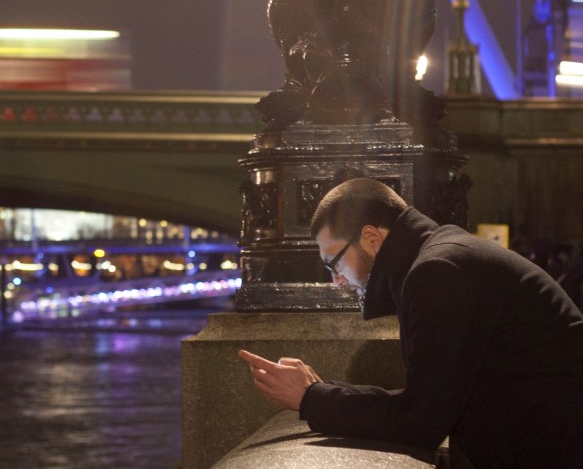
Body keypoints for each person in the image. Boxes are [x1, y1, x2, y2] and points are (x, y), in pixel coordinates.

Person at [238, 177, 583, 468]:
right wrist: (320, 392)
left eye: (334, 263)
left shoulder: (439, 271)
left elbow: (421, 422)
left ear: (371, 238)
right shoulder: (442, 257)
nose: (336, 281)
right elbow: (426, 400)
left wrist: (311, 399)